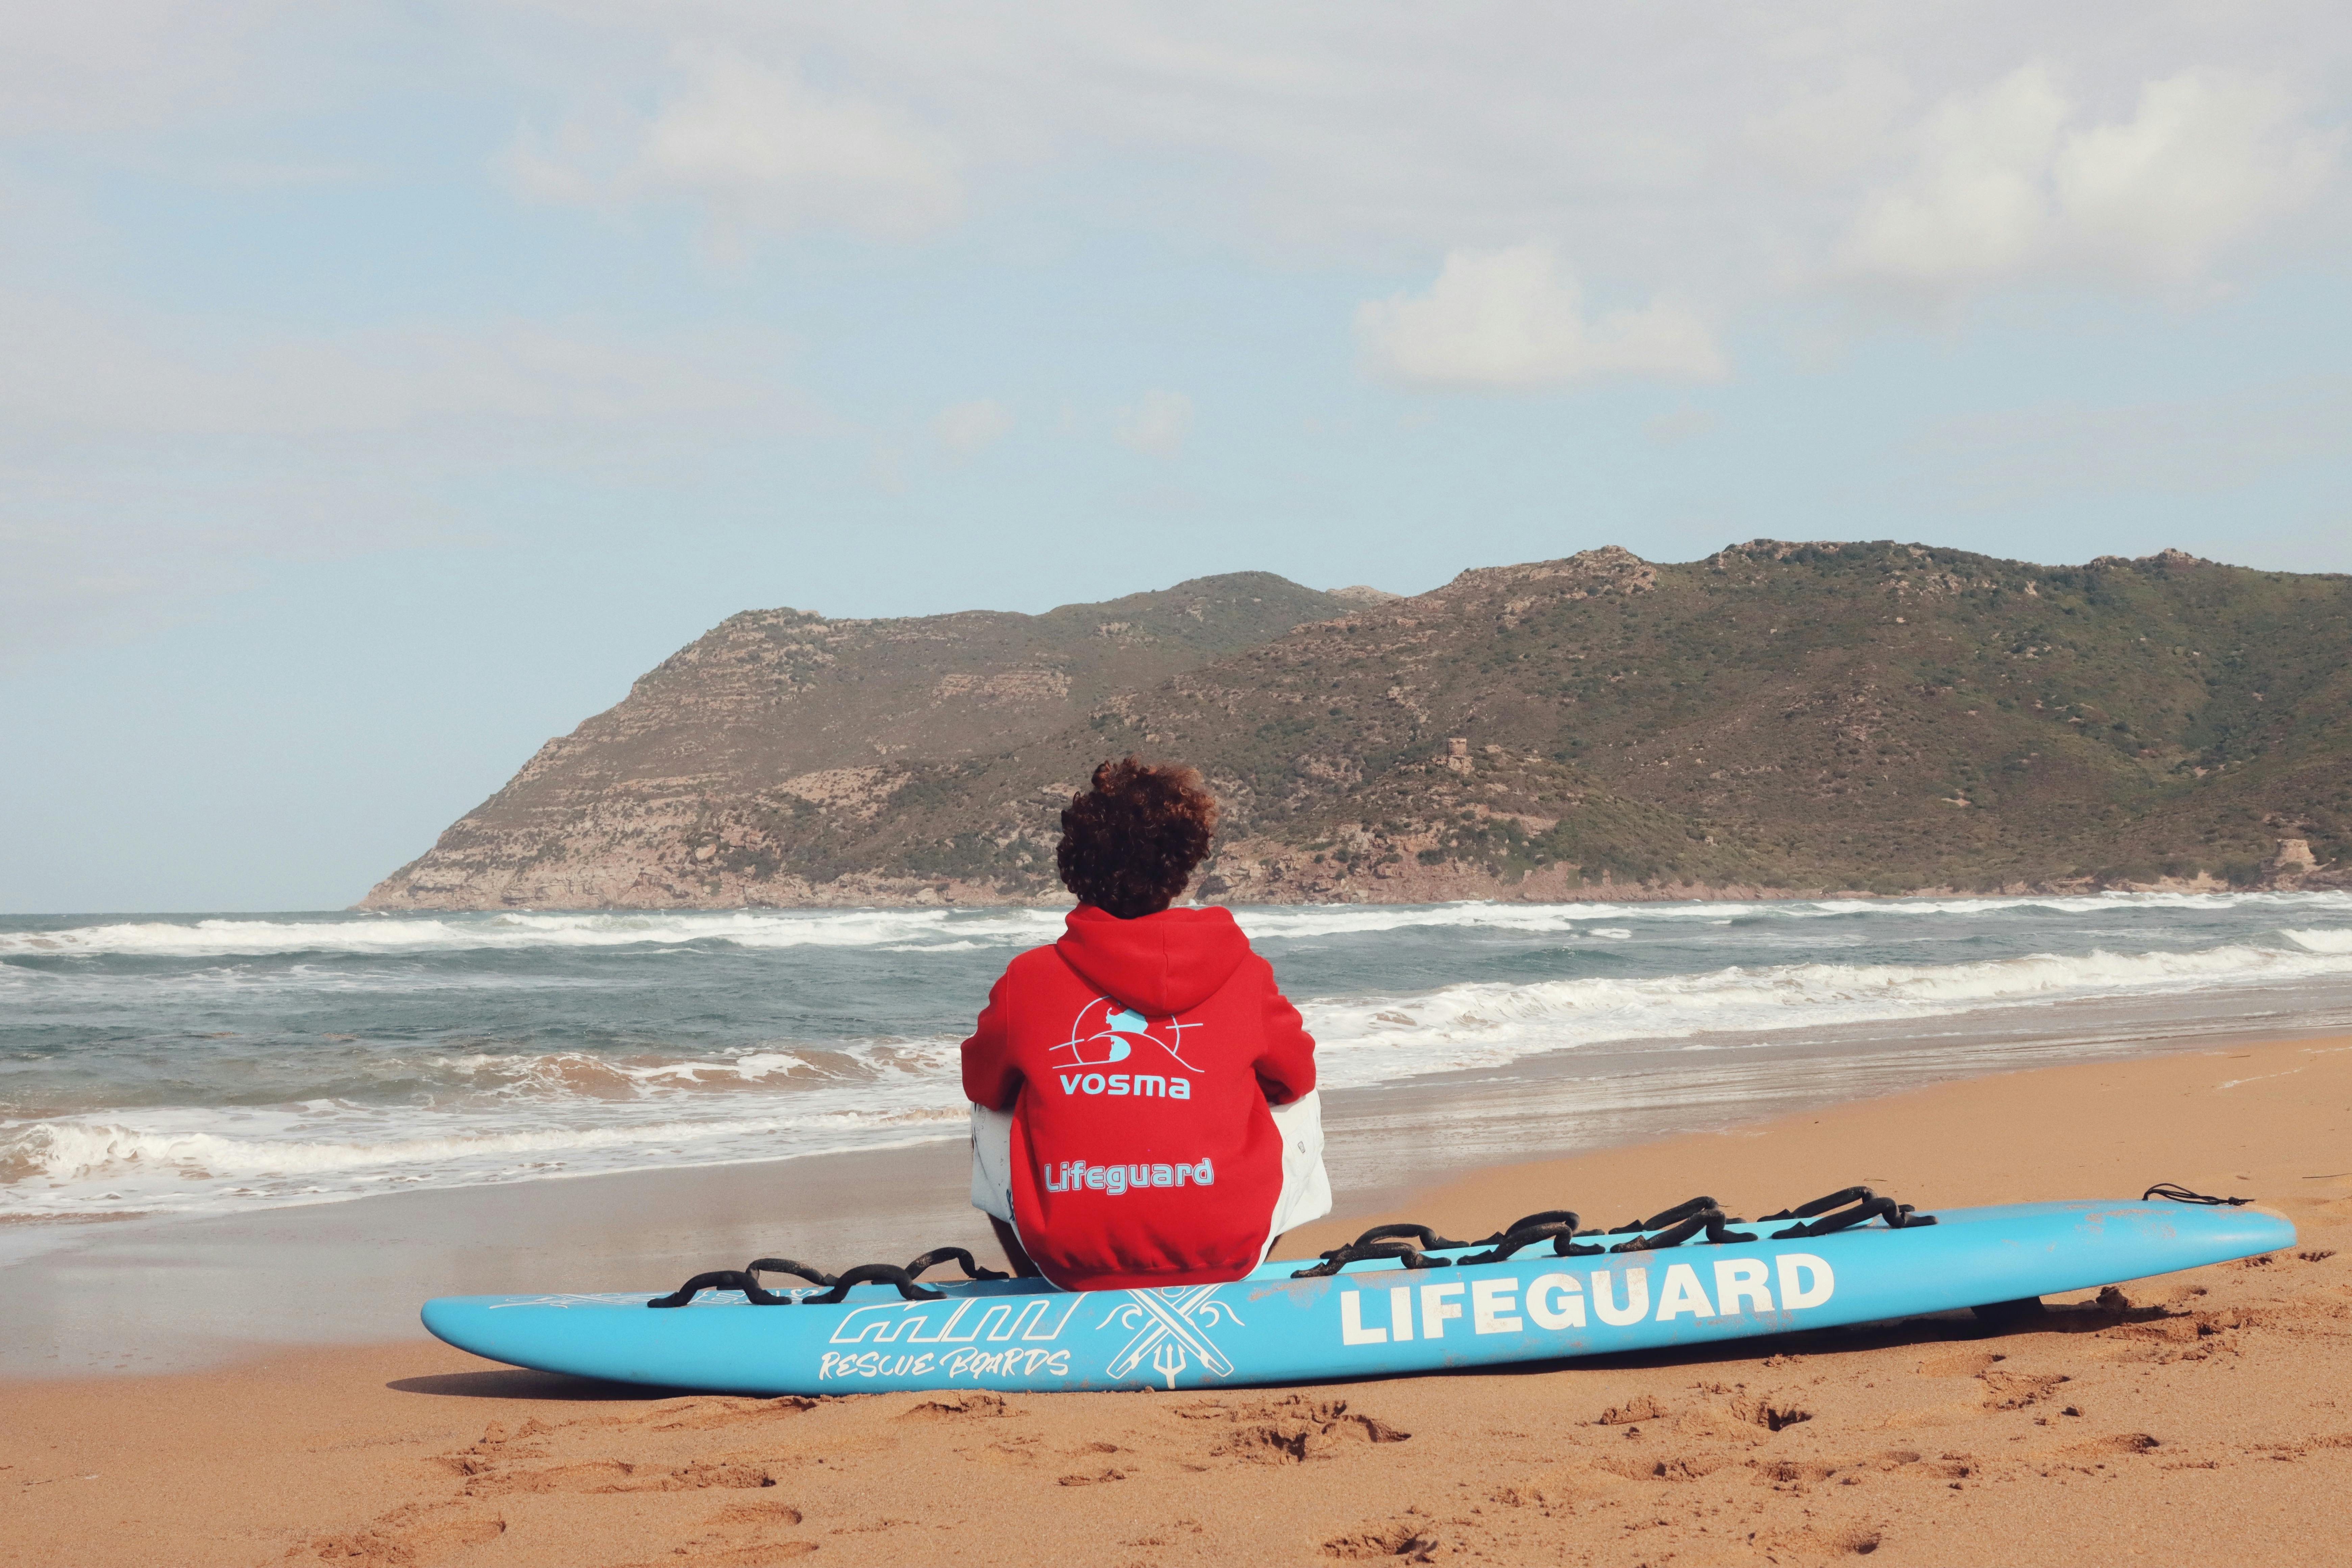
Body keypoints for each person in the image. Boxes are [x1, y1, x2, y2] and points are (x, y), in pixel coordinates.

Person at [961, 757, 1331, 1290]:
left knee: (991, 1106)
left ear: (1076, 864)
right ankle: (1232, 1254)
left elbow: (982, 1086)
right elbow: (1296, 1078)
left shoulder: (1030, 977)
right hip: (1229, 1254)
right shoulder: (1244, 971)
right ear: (1182, 864)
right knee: (1299, 1094)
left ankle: (1037, 1283)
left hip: (1069, 1265)